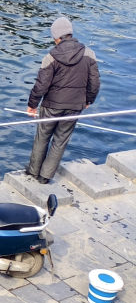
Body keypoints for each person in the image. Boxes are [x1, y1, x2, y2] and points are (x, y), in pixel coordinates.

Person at [25, 16, 100, 184]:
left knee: (42, 137)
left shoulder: (51, 57)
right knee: (60, 140)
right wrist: (89, 100)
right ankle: (45, 176)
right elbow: (95, 82)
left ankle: (33, 171)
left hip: (51, 105)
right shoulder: (89, 54)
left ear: (57, 37)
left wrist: (32, 105)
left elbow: (41, 85)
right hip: (75, 106)